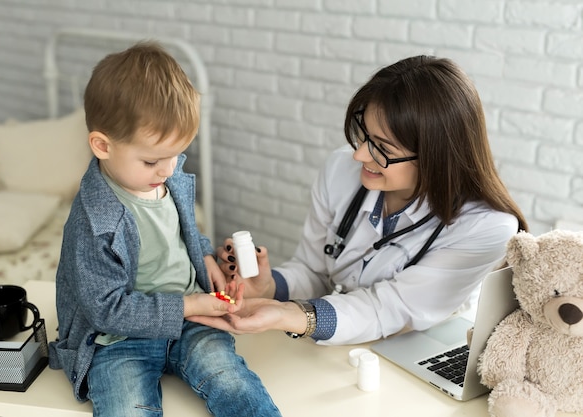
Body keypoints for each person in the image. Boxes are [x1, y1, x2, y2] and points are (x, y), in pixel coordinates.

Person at [189, 55, 528, 346]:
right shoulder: (341, 170)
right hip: (346, 342)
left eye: (383, 147)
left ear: (436, 157)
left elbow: (389, 308)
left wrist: (292, 315)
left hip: (423, 351)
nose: (360, 154)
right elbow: (314, 270)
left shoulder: (487, 227)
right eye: (363, 134)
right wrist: (268, 285)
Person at [48, 42, 281, 417]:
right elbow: (106, 310)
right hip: (120, 339)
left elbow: (180, 234)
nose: (169, 169)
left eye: (176, 154)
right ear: (102, 146)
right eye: (153, 160)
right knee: (127, 408)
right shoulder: (94, 222)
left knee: (234, 383)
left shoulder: (167, 179)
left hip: (193, 323)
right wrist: (190, 304)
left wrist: (206, 257)